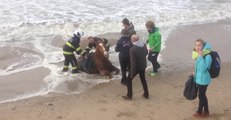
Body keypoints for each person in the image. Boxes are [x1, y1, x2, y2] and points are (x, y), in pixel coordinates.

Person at [122, 35, 149, 100]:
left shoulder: (132, 49)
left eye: (131, 40)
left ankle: (129, 95)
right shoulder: (143, 45)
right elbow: (146, 53)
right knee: (143, 80)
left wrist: (132, 73)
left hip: (137, 67)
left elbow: (133, 62)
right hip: (143, 66)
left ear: (133, 40)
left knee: (129, 79)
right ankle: (146, 94)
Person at [192, 39, 212, 118]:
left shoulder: (208, 56)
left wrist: (200, 57)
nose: (197, 47)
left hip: (204, 80)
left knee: (201, 95)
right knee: (202, 95)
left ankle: (199, 111)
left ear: (203, 46)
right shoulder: (199, 55)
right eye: (196, 45)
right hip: (199, 78)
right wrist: (195, 73)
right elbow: (198, 67)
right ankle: (206, 111)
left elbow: (204, 68)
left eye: (199, 45)